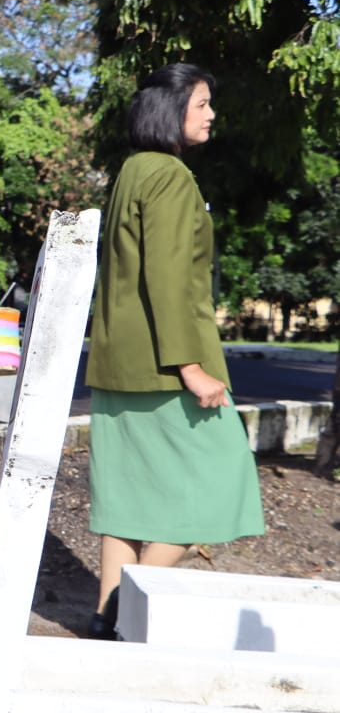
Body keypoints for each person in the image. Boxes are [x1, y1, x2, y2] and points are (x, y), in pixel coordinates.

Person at [84, 64, 265, 639]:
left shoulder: (131, 172)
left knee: (127, 499)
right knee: (219, 486)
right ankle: (123, 606)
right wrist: (191, 366)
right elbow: (165, 278)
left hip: (119, 361)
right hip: (167, 368)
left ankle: (104, 615)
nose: (211, 114)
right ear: (171, 109)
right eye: (202, 103)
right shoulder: (169, 176)